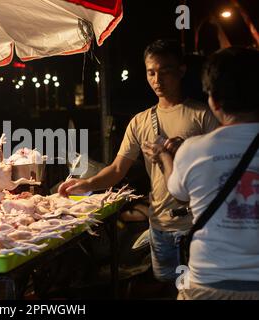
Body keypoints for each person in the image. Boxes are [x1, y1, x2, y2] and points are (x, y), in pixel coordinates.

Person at [58, 39, 219, 285]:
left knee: (199, 289)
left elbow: (219, 169)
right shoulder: (140, 122)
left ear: (181, 70)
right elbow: (116, 170)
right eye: (151, 72)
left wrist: (185, 151)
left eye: (165, 71)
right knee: (167, 286)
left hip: (198, 225)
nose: (157, 80)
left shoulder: (203, 115)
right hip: (160, 224)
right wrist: (83, 184)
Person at [145, 47, 259, 299]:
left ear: (214, 101)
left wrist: (164, 156)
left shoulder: (192, 150)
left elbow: (179, 193)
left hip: (207, 286)